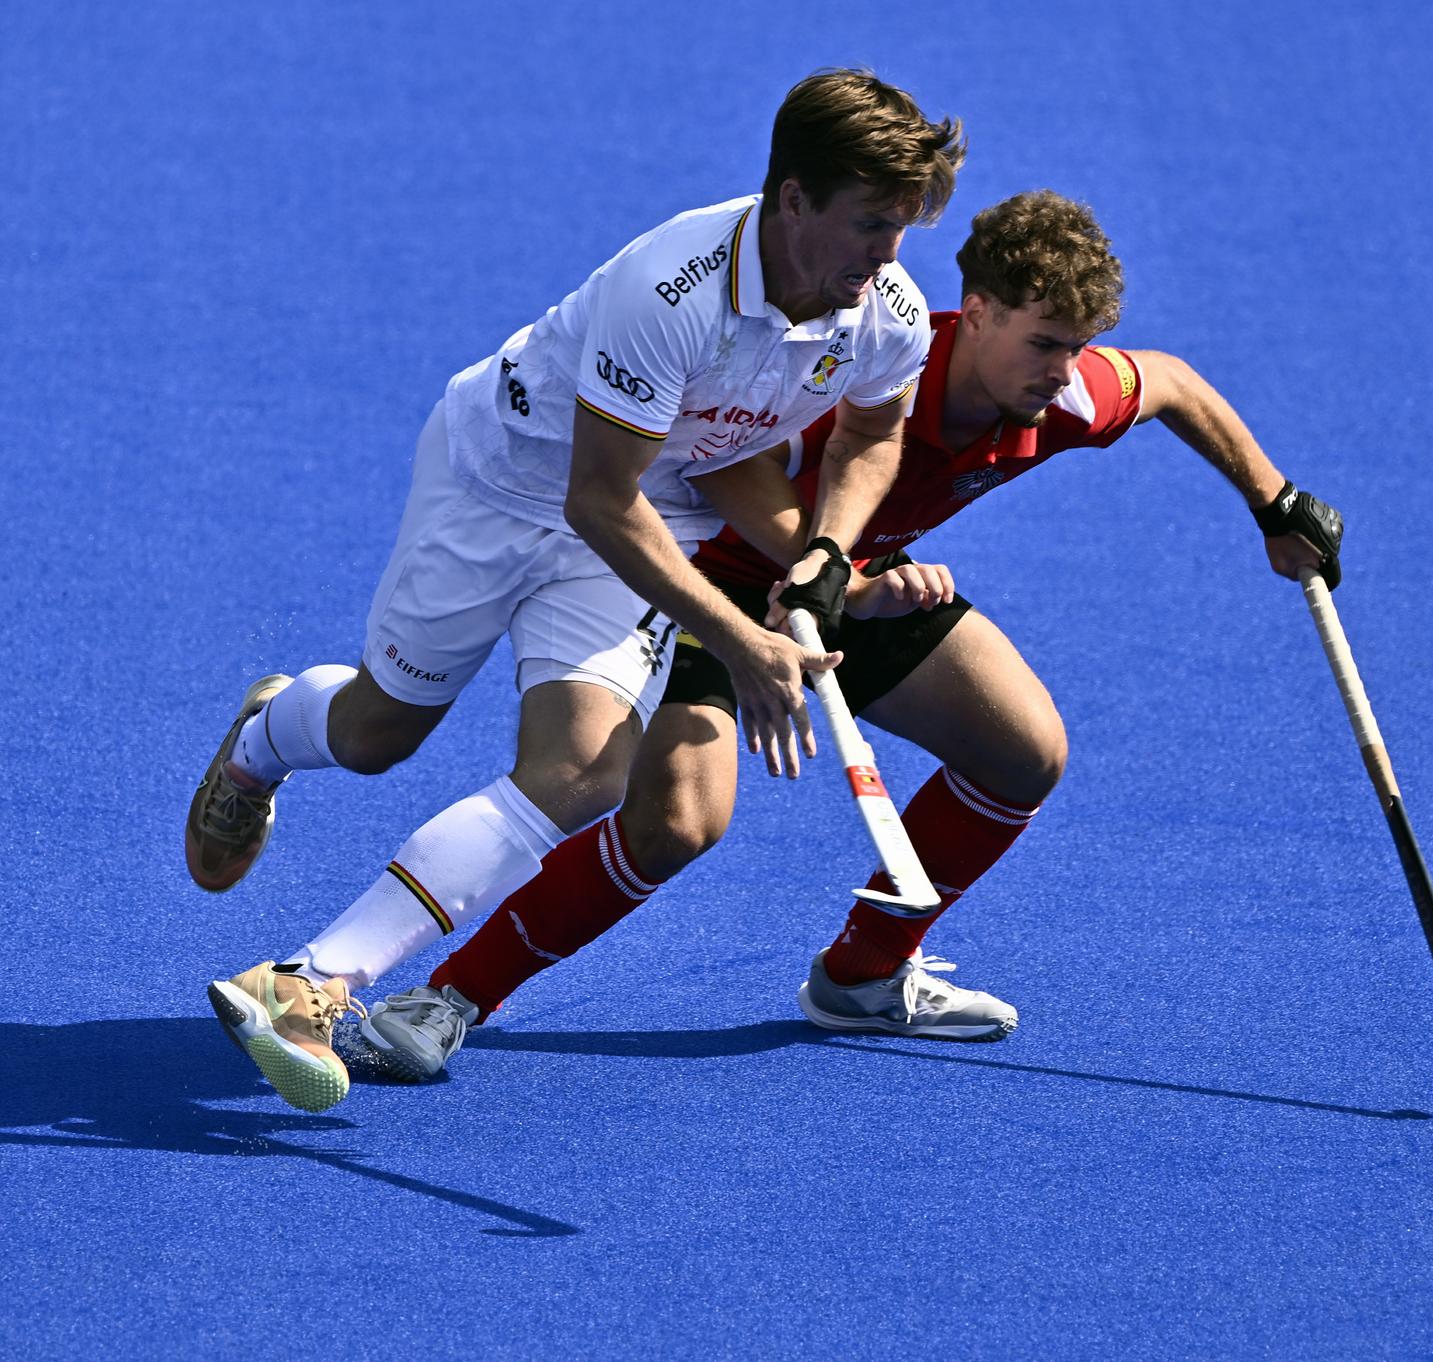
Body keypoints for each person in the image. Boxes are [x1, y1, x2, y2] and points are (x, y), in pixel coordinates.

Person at [360, 189, 1343, 1079]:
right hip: (713, 584)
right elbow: (713, 470)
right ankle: (449, 996)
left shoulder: (1068, 395)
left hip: (853, 589)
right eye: (1045, 343)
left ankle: (862, 978)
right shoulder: (857, 379)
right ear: (980, 311)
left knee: (1023, 752)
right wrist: (818, 570)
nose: (1064, 371)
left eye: (1078, 346)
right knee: (677, 826)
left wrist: (1275, 501)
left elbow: (1170, 382)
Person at [186, 70, 966, 1113]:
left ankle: (311, 982)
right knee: (379, 734)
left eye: (903, 228)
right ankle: (263, 738)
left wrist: (825, 553)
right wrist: (740, 638)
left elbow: (872, 431)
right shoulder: (672, 291)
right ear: (792, 200)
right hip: (501, 485)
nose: (888, 255)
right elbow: (599, 498)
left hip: (650, 517)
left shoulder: (886, 313)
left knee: (587, 772)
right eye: (871, 223)